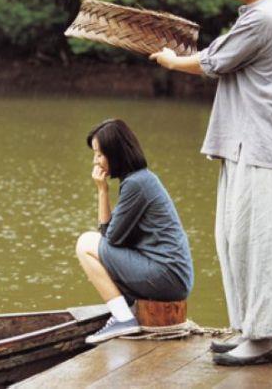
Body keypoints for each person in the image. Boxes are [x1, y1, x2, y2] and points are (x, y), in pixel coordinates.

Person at [150, 0, 272, 366]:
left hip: (263, 149)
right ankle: (248, 330)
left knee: (260, 246)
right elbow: (221, 50)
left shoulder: (266, 18)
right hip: (244, 146)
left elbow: (216, 59)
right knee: (234, 240)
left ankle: (261, 339)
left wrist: (171, 60)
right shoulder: (256, 16)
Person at [75, 118, 194, 344]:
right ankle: (126, 309)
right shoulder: (138, 180)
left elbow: (109, 239)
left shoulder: (136, 184)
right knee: (96, 245)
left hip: (168, 275)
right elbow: (115, 240)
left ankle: (123, 318)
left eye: (99, 154)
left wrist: (102, 192)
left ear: (115, 153)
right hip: (171, 276)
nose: (95, 161)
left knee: (85, 244)